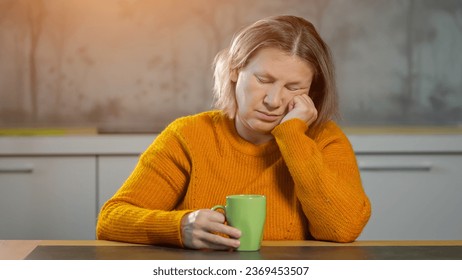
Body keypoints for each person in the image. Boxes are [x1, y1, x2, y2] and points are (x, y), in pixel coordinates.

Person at [96, 15, 371, 250]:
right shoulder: (188, 135)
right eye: (264, 80)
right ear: (235, 71)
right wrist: (180, 227)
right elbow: (111, 219)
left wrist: (293, 136)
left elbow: (342, 229)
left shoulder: (325, 139)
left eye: (294, 87)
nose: (274, 100)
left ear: (312, 92)